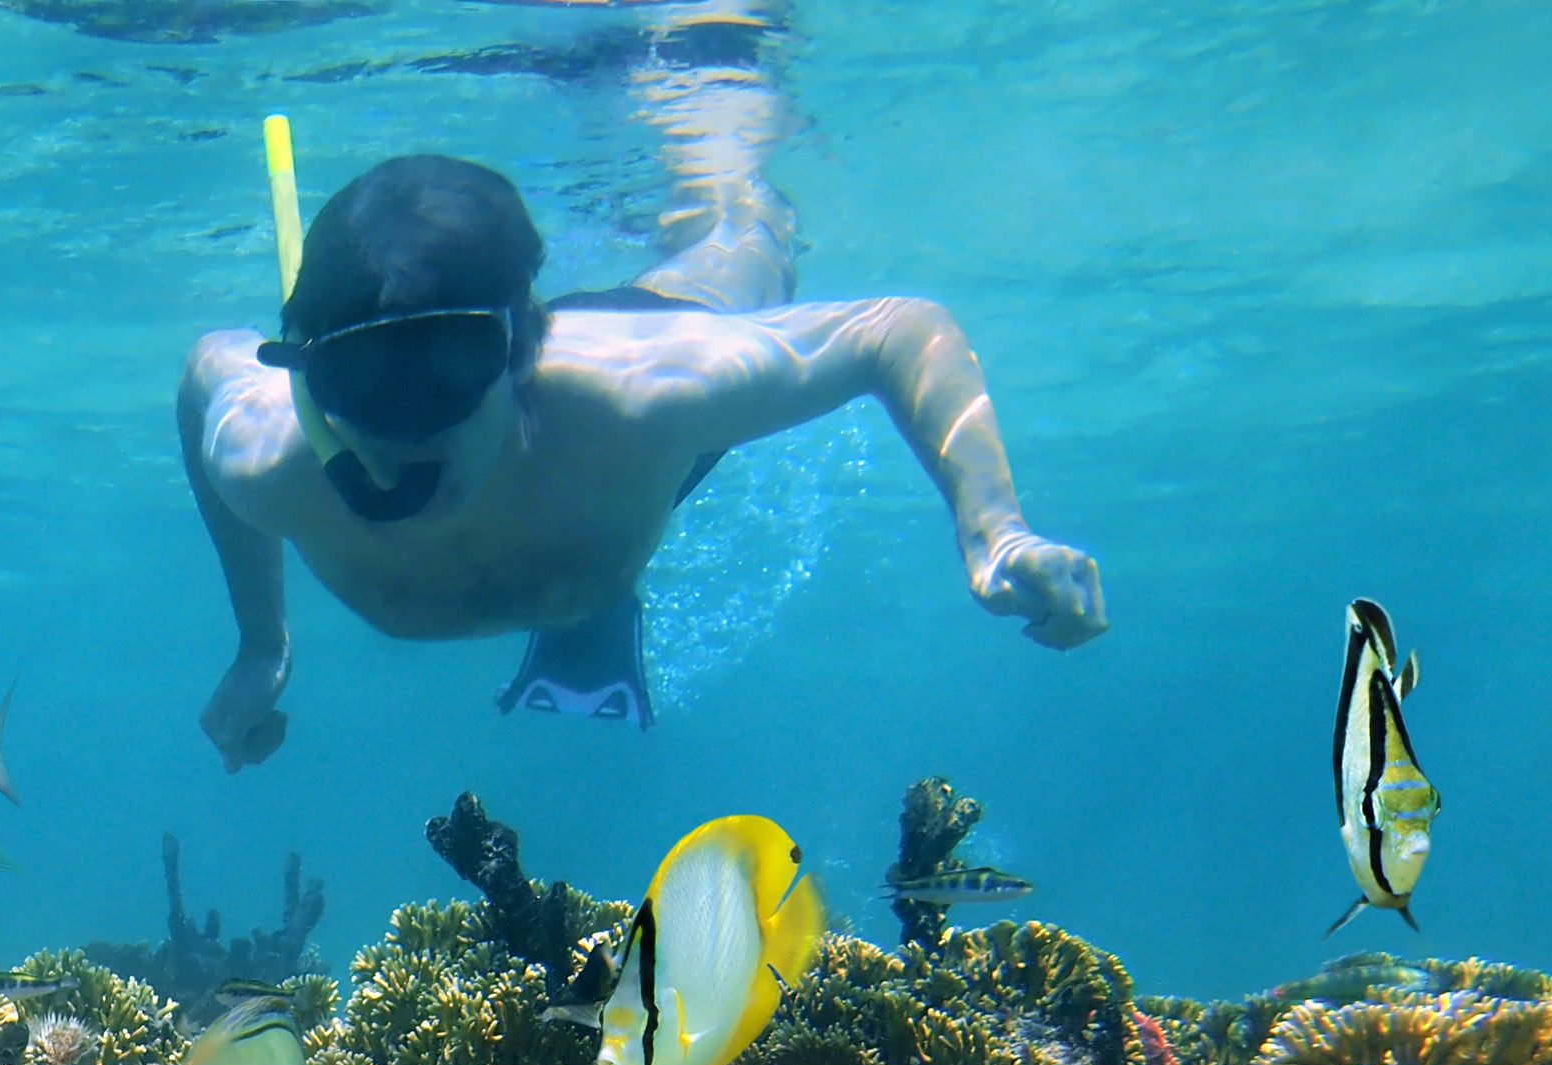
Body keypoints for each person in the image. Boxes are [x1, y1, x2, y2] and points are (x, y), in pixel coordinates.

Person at [179, 142, 1104, 766]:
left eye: (449, 374)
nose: (402, 433)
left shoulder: (648, 398)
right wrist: (262, 642)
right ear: (308, 380)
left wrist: (995, 531)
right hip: (577, 470)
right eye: (360, 388)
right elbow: (203, 374)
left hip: (622, 390)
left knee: (742, 250)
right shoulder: (270, 460)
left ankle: (725, 158)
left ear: (518, 350)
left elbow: (896, 328)